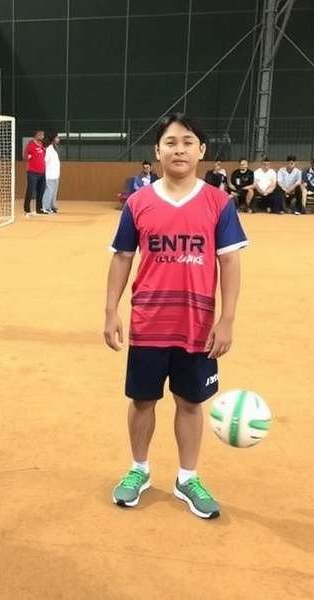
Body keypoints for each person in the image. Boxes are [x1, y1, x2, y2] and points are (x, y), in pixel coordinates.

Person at [104, 113, 247, 520]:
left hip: (197, 326)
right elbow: (122, 258)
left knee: (190, 401)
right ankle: (139, 470)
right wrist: (110, 311)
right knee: (142, 399)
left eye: (187, 141)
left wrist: (227, 318)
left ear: (201, 150)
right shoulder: (138, 202)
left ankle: (187, 477)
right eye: (170, 142)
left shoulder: (219, 203)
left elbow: (230, 263)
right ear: (157, 151)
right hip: (149, 322)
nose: (179, 149)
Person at [23, 130, 46, 216]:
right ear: (37, 135)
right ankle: (27, 210)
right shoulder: (31, 144)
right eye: (41, 135)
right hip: (32, 172)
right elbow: (26, 156)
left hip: (42, 172)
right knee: (30, 190)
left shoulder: (42, 145)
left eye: (43, 135)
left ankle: (39, 209)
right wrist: (30, 157)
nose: (43, 137)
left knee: (41, 191)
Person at [42, 134, 61, 214]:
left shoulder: (54, 149)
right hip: (49, 175)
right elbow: (45, 161)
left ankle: (52, 206)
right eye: (57, 137)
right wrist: (45, 173)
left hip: (55, 174)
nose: (58, 139)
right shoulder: (49, 149)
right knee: (49, 191)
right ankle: (46, 207)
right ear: (53, 139)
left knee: (54, 192)